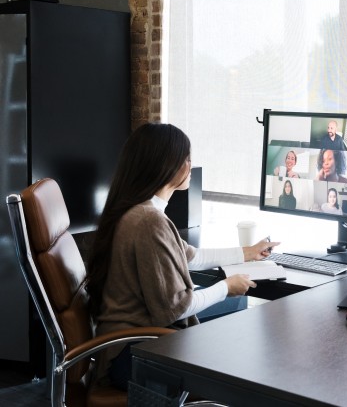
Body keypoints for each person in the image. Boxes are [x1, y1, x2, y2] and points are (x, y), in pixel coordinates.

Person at [86, 123, 280, 391]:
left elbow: (191, 257)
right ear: (166, 165)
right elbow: (174, 308)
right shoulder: (148, 221)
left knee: (238, 306)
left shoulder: (141, 210)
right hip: (133, 352)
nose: (191, 165)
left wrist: (248, 253)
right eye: (187, 159)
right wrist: (225, 286)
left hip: (134, 339)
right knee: (241, 328)